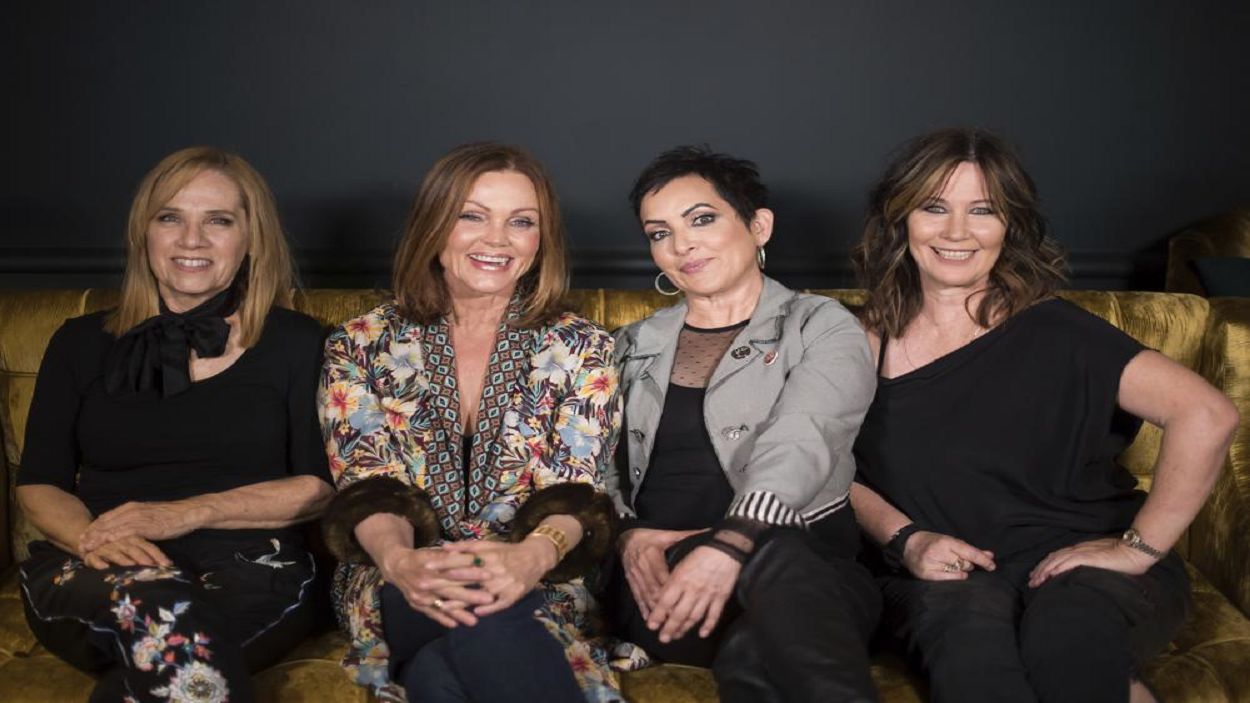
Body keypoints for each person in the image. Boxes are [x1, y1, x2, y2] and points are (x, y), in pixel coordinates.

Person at [849, 128, 1239, 703]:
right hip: (945, 571)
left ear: (1010, 227)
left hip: (1080, 561)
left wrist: (1137, 548)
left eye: (983, 210)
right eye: (934, 207)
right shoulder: (854, 342)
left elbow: (1207, 414)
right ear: (899, 218)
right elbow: (828, 465)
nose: (957, 232)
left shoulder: (1059, 332)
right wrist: (907, 539)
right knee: (972, 665)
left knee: (1071, 648)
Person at [17, 146, 334, 703]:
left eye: (218, 220)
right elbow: (39, 483)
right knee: (162, 610)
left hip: (255, 566)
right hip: (100, 559)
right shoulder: (78, 343)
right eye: (171, 218)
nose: (193, 240)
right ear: (145, 233)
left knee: (172, 662)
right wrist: (96, 539)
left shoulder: (299, 343)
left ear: (251, 238)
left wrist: (184, 514)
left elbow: (316, 489)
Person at [318, 142, 625, 703]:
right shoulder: (361, 343)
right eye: (472, 216)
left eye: (521, 222)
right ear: (434, 225)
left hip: (541, 574)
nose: (497, 240)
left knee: (441, 673)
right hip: (397, 575)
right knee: (475, 619)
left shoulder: (583, 346)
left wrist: (528, 559)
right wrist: (402, 562)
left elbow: (575, 491)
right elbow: (368, 486)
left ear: (541, 239)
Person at [606, 145, 882, 702]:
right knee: (775, 618)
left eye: (702, 219)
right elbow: (589, 466)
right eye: (659, 233)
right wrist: (627, 534)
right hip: (665, 580)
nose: (681, 245)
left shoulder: (822, 326)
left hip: (810, 568)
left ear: (759, 226)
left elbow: (806, 436)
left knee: (763, 630)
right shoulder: (629, 345)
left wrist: (731, 542)